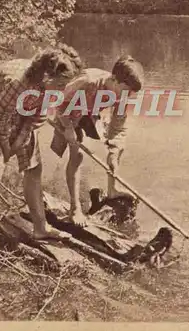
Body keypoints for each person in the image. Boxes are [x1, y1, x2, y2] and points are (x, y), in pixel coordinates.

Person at [0, 43, 83, 264]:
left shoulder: (49, 89)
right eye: (60, 84)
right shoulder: (18, 83)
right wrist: (6, 149)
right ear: (47, 76)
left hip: (20, 113)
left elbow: (33, 120)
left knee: (34, 166)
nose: (62, 90)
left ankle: (40, 228)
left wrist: (17, 143)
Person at [51, 55, 144, 227]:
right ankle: (75, 208)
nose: (129, 95)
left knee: (117, 149)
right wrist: (69, 128)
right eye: (127, 90)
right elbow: (59, 102)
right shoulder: (88, 81)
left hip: (90, 112)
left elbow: (118, 126)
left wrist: (114, 152)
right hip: (67, 111)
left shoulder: (121, 93)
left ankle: (112, 190)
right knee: (77, 154)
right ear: (114, 80)